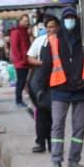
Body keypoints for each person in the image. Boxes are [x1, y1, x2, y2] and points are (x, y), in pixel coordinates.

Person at [33, 9, 84, 167]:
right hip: (59, 89)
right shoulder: (53, 41)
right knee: (57, 126)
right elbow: (45, 66)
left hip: (81, 89)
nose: (70, 21)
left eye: (72, 18)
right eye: (67, 18)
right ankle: (56, 161)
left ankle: (74, 159)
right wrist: (40, 89)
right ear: (62, 22)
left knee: (79, 127)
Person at [26, 18, 55, 150]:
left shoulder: (61, 41)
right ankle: (41, 141)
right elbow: (30, 57)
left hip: (55, 82)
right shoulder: (40, 41)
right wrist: (42, 63)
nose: (50, 30)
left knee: (53, 114)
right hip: (40, 82)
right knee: (42, 112)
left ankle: (52, 142)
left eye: (52, 27)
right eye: (48, 27)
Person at [9, 15, 32, 108]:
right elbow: (14, 47)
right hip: (21, 62)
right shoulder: (16, 31)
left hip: (26, 61)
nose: (27, 22)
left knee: (24, 81)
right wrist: (20, 60)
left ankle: (20, 100)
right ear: (20, 21)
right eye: (25, 21)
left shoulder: (25, 31)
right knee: (21, 81)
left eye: (28, 21)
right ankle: (18, 100)